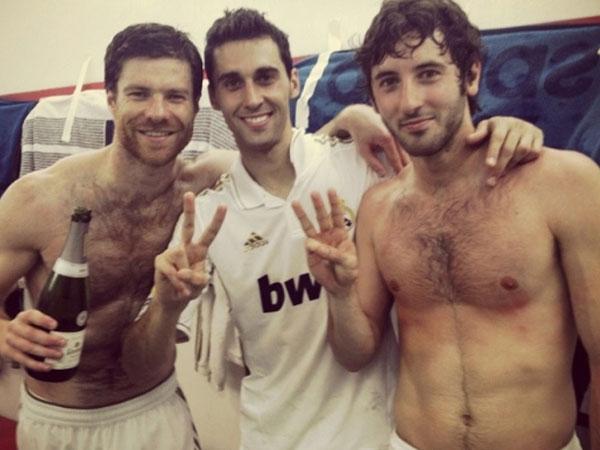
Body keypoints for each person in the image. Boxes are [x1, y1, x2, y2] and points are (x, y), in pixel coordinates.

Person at [0, 20, 453, 450]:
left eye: (175, 96)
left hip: (155, 411)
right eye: (139, 94)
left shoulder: (199, 186)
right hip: (59, 420)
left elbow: (287, 155)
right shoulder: (44, 200)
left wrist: (352, 119)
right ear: (111, 99)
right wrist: (4, 334)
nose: (158, 112)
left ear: (196, 105)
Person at [131, 8, 548, 450]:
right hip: (276, 439)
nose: (252, 98)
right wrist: (166, 306)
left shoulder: (365, 161)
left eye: (266, 77)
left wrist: (503, 130)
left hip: (385, 437)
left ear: (292, 82)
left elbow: (446, 154)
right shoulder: (205, 217)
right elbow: (142, 367)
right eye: (233, 83)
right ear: (215, 97)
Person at [292, 1, 600, 449]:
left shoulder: (563, 183)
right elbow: (356, 354)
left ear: (470, 75)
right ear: (373, 98)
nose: (410, 101)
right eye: (389, 82)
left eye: (429, 73)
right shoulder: (378, 208)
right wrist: (339, 295)